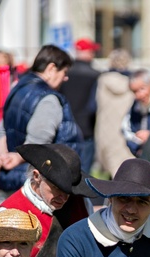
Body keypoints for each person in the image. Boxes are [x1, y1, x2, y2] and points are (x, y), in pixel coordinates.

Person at [0, 144, 96, 257]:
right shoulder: (8, 213)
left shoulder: (82, 203)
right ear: (37, 176)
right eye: (57, 187)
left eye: (69, 190)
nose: (64, 197)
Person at [0, 44, 82, 194]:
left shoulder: (17, 88)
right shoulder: (48, 99)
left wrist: (5, 156)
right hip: (37, 184)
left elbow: (2, 128)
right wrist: (15, 158)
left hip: (11, 178)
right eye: (64, 72)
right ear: (51, 68)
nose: (66, 78)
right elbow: (38, 143)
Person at [58, 38, 102, 175]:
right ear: (86, 52)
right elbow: (94, 105)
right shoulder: (96, 75)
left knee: (65, 170)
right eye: (92, 51)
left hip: (66, 126)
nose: (93, 54)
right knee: (84, 173)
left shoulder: (65, 74)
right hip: (87, 128)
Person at [95, 49, 135, 178]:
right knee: (125, 171)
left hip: (106, 132)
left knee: (110, 172)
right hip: (125, 132)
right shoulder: (133, 83)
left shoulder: (102, 80)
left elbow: (92, 106)